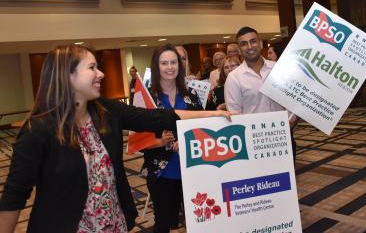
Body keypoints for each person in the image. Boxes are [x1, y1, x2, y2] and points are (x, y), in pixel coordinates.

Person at [0, 44, 231, 233]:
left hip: (113, 225)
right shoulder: (38, 129)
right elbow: (14, 196)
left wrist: (214, 113)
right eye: (92, 67)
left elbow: (159, 117)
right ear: (67, 76)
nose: (101, 73)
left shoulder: (105, 111)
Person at [142, 43, 203, 233]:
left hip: (193, 168)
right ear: (156, 66)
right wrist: (159, 142)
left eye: (174, 62)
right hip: (162, 173)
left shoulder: (191, 95)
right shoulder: (147, 97)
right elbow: (137, 139)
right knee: (164, 223)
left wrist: (188, 141)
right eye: (164, 63)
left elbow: (203, 127)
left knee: (199, 219)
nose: (170, 67)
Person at [225, 26, 297, 159]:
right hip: (255, 142)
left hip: (284, 136)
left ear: (261, 43)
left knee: (287, 178)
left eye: (253, 41)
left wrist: (291, 120)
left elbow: (294, 100)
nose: (249, 46)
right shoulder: (234, 78)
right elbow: (234, 115)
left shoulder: (278, 68)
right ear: (239, 50)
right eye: (243, 44)